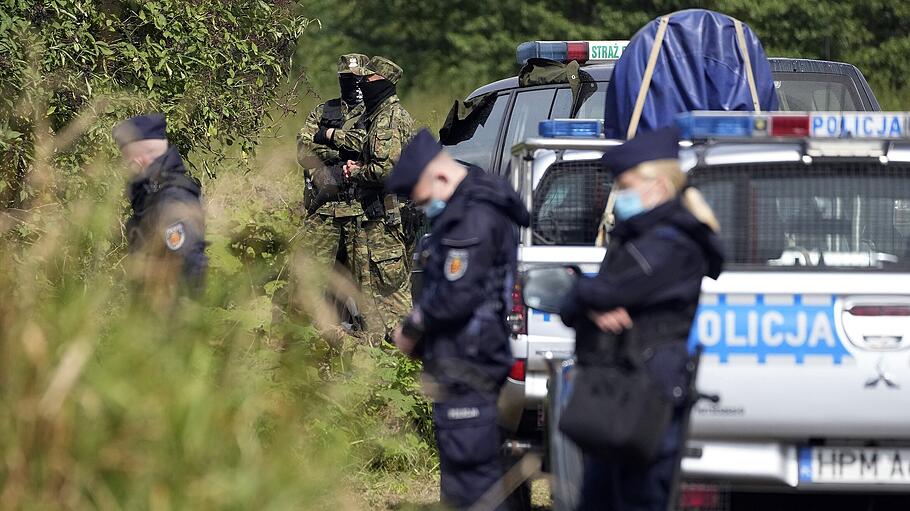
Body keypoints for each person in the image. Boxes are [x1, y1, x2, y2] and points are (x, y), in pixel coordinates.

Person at [558, 127, 724, 511]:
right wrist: (587, 298)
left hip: (647, 394)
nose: (620, 194)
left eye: (626, 184)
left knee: (639, 499)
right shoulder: (635, 237)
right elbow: (574, 307)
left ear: (659, 185)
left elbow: (604, 292)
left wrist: (586, 293)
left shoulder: (674, 241)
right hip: (614, 389)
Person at [388, 129, 530, 510]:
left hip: (468, 364)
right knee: (477, 475)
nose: (425, 209)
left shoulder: (473, 218)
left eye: (423, 200)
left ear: (440, 176)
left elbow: (456, 295)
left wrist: (412, 328)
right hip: (468, 360)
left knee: (473, 485)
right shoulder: (475, 208)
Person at [287, 53, 372, 342]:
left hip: (362, 211)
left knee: (364, 283)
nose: (354, 85)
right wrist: (337, 156)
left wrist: (330, 140)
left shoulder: (376, 114)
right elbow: (303, 149)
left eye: (358, 79)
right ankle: (312, 341)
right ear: (340, 80)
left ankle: (365, 344)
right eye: (348, 79)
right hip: (325, 212)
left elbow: (374, 150)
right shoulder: (324, 111)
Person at [342, 56, 414, 341]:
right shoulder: (378, 116)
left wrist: (357, 171)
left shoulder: (388, 119)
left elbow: (386, 169)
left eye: (367, 79)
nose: (361, 83)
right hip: (378, 219)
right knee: (371, 295)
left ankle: (405, 364)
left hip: (386, 222)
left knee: (392, 297)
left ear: (382, 83)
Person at [113, 113, 207, 301]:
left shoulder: (172, 198)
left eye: (126, 160)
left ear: (137, 160)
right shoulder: (154, 195)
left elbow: (189, 263)